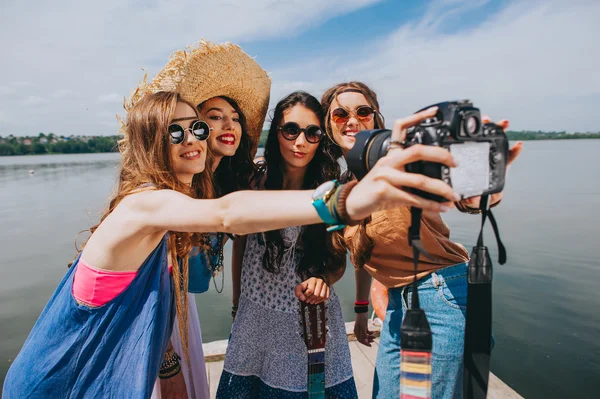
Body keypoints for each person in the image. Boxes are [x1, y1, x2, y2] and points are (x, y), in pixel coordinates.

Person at [2, 83, 461, 397]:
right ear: (147, 144)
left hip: (104, 376)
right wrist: (342, 201)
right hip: (58, 380)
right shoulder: (144, 205)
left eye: (197, 127)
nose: (193, 138)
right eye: (176, 131)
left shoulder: (173, 208)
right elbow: (227, 214)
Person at [320, 81, 523, 399]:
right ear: (327, 124)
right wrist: (363, 307)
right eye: (339, 114)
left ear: (376, 117)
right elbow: (362, 252)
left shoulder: (401, 160)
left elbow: (461, 194)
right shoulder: (343, 186)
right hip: (399, 307)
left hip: (442, 295)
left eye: (363, 111)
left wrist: (482, 189)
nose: (352, 119)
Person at [147, 41, 272, 399]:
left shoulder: (225, 185)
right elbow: (148, 284)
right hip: (155, 325)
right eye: (215, 117)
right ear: (193, 127)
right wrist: (166, 361)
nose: (229, 124)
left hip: (184, 315)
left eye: (235, 118)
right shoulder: (173, 190)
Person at [217, 91, 357, 398]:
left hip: (307, 319)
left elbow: (338, 257)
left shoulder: (331, 188)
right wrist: (237, 304)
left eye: (312, 132)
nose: (300, 142)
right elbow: (241, 245)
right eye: (291, 130)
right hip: (255, 315)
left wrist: (323, 279)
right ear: (277, 133)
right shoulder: (255, 180)